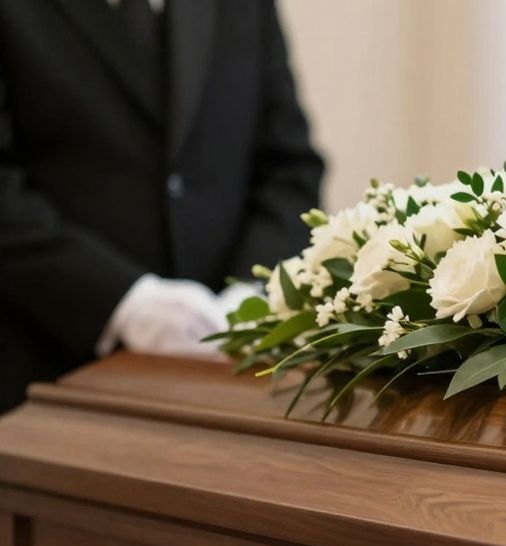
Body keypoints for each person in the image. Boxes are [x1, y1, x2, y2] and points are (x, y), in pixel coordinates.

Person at [0, 0, 323, 413]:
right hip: (40, 379)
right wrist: (125, 302)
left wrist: (249, 296)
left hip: (229, 384)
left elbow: (290, 168)